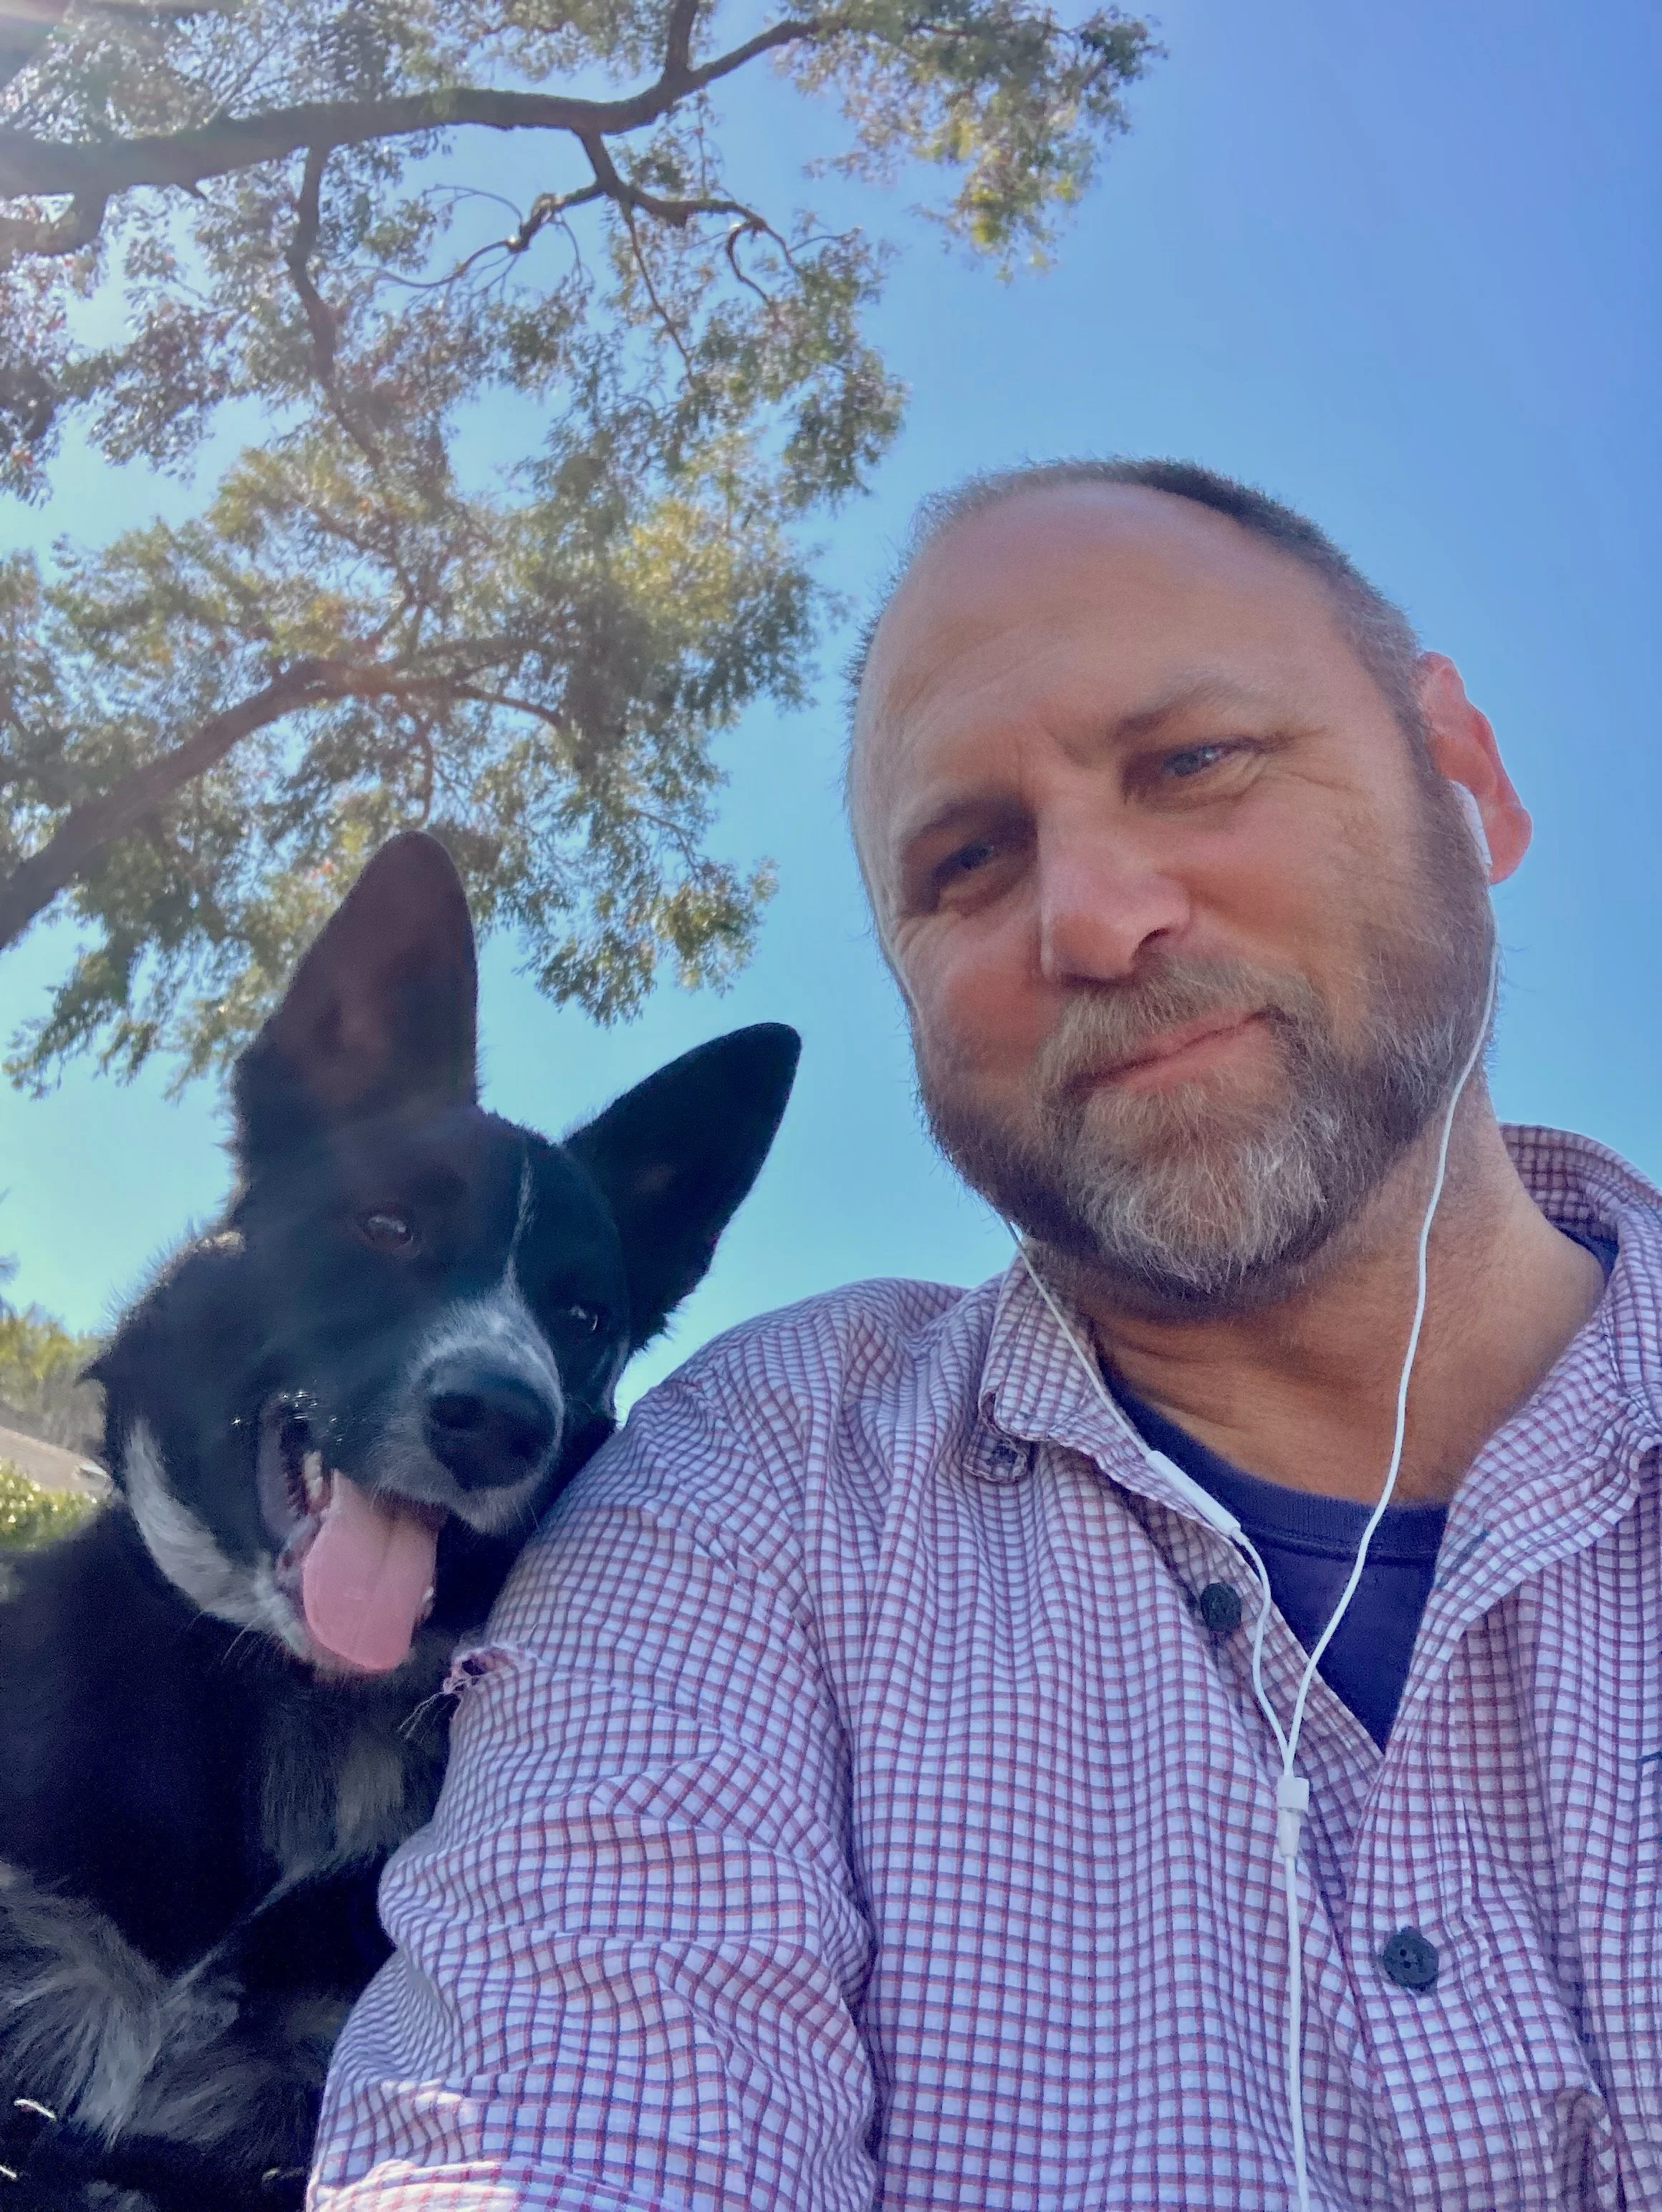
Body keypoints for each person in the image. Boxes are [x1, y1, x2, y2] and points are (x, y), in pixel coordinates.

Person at [310, 461, 1662, 2211]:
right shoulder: (754, 1484)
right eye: (966, 860)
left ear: (1460, 777)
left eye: (1192, 761)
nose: (1092, 918)